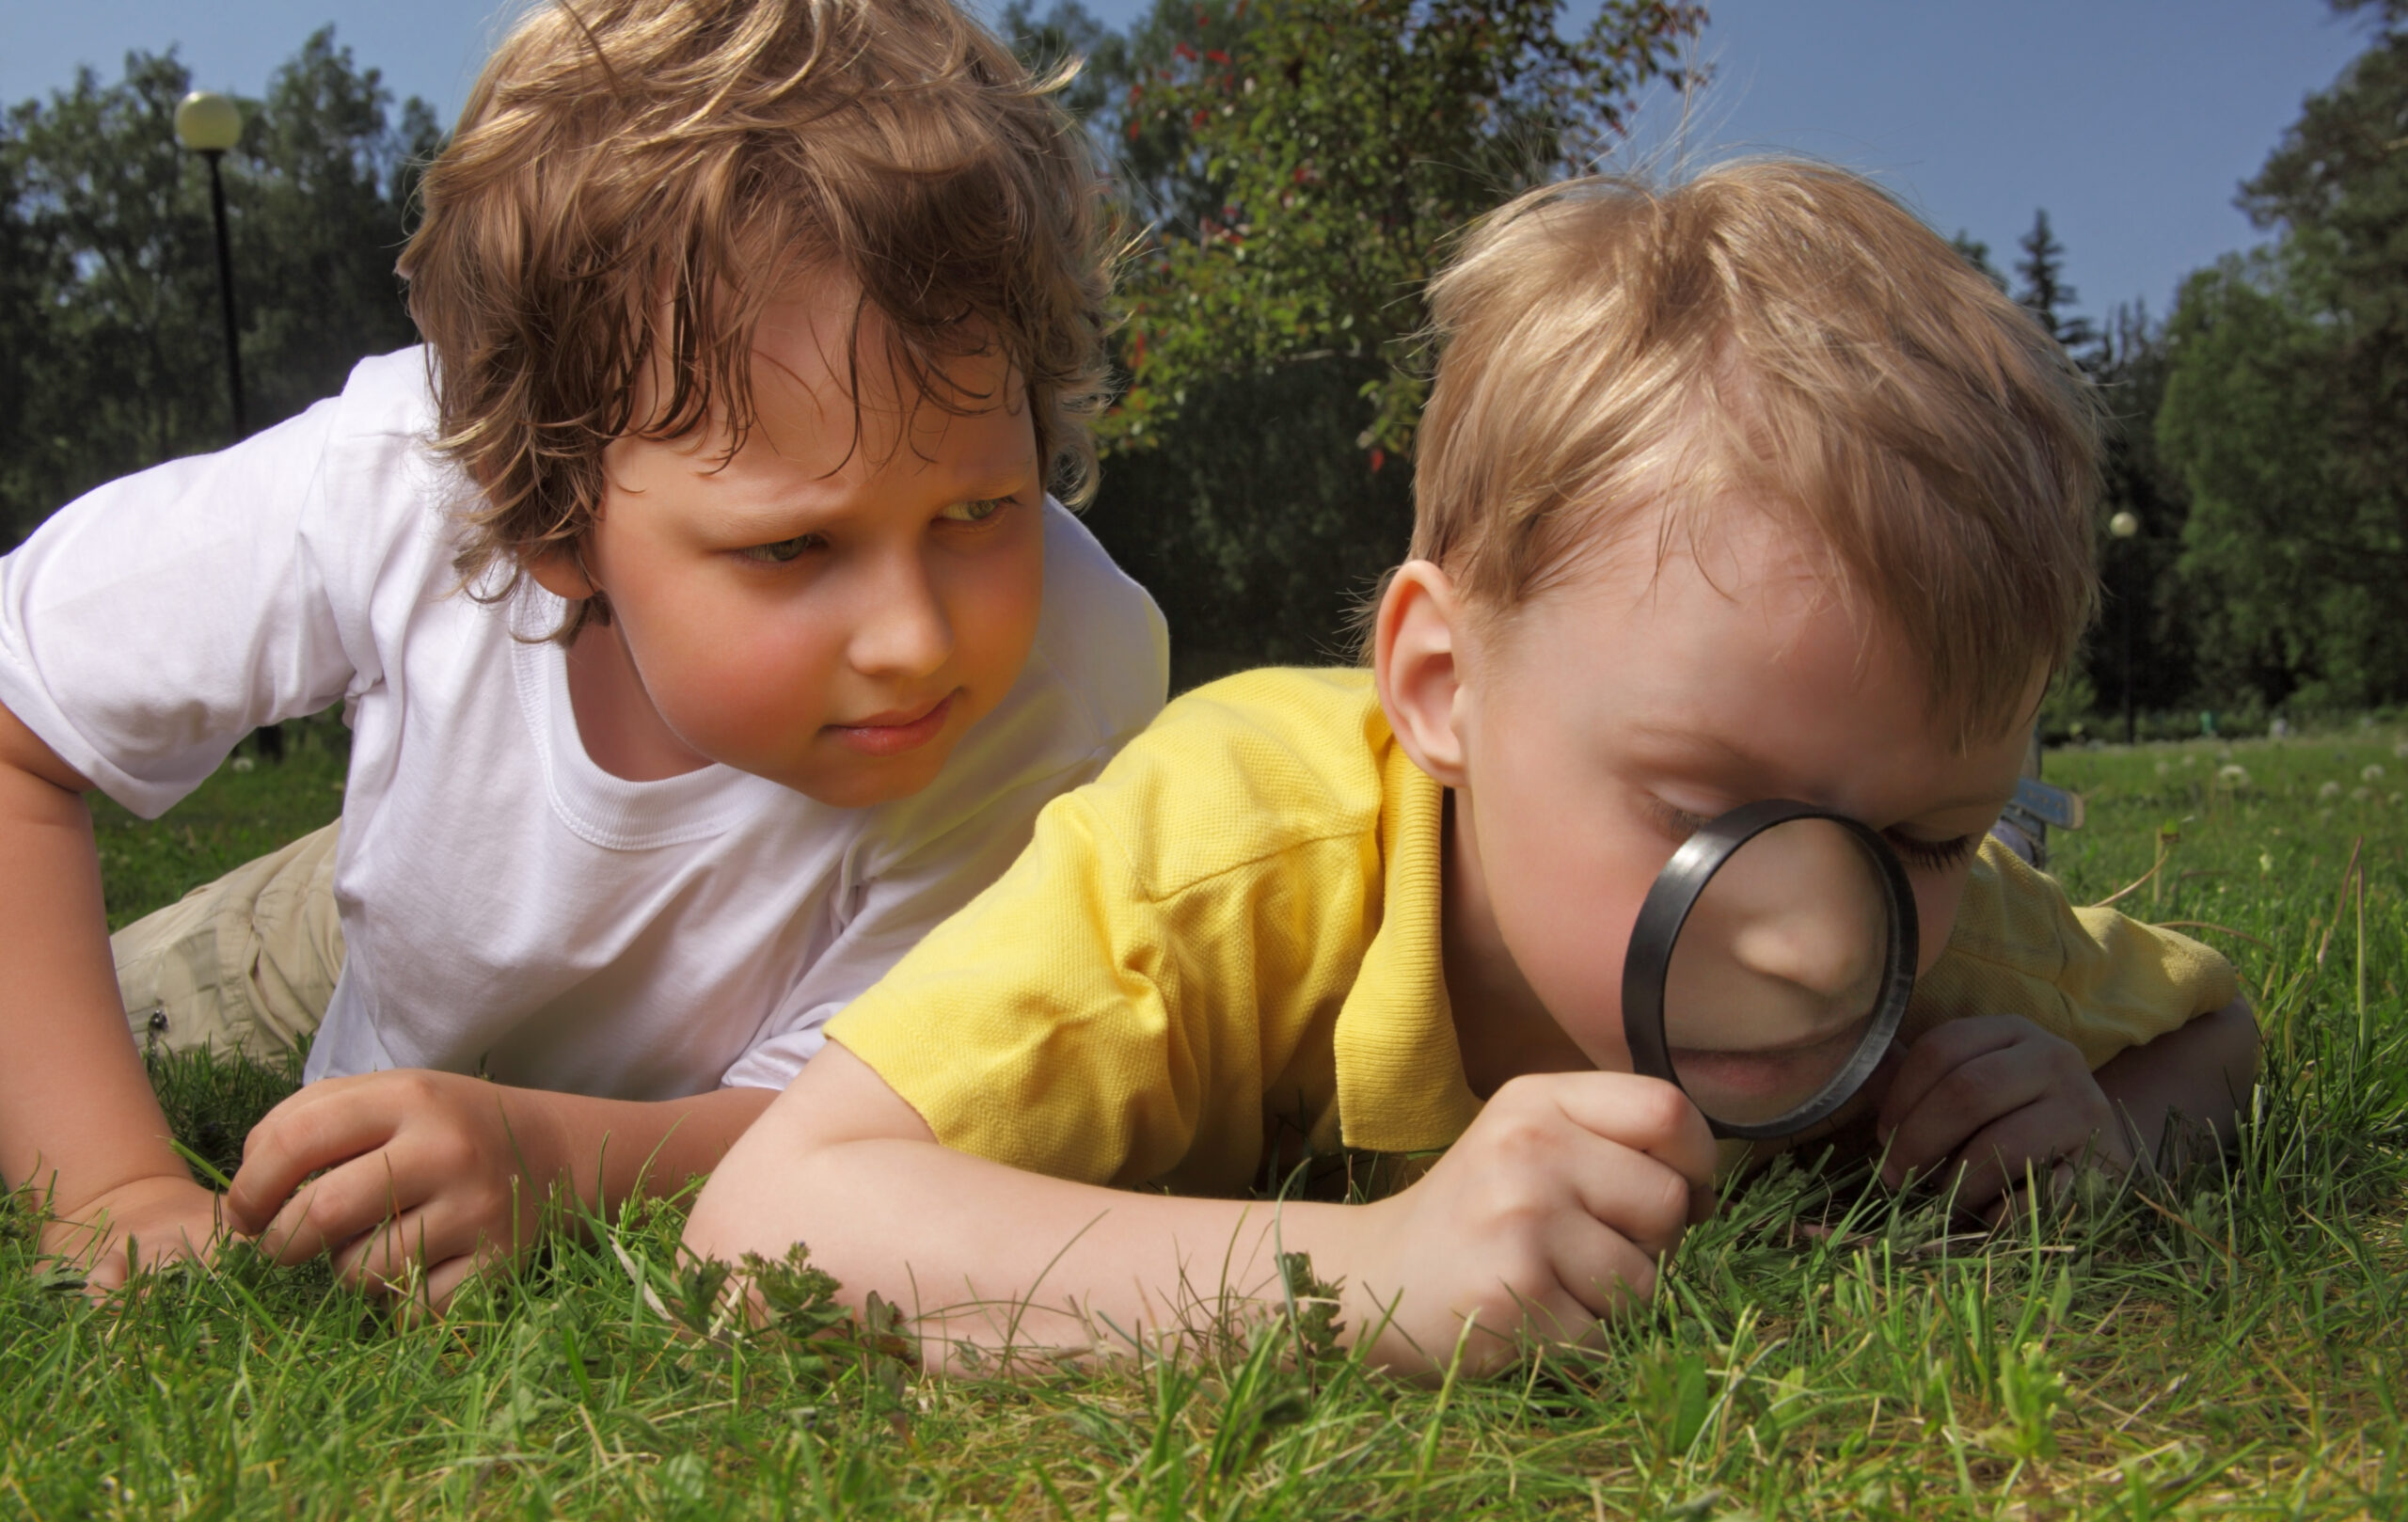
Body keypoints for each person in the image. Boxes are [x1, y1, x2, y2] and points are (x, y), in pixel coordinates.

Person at [683, 162, 2260, 1378]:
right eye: (1711, 815)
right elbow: (767, 1227)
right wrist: (1363, 1278)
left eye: (1927, 832)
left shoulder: (1934, 929)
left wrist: (2114, 1142)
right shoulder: (1221, 859)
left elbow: (2216, 1031)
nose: (1824, 946)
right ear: (1441, 685)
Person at [0, 0, 1166, 1308]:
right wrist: (110, 1191)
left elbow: (869, 1121)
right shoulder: (394, 484)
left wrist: (559, 1159)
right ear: (549, 514)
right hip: (360, 904)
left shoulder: (1062, 681)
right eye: (790, 550)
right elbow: (13, 722)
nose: (915, 641)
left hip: (514, 942)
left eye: (976, 513)